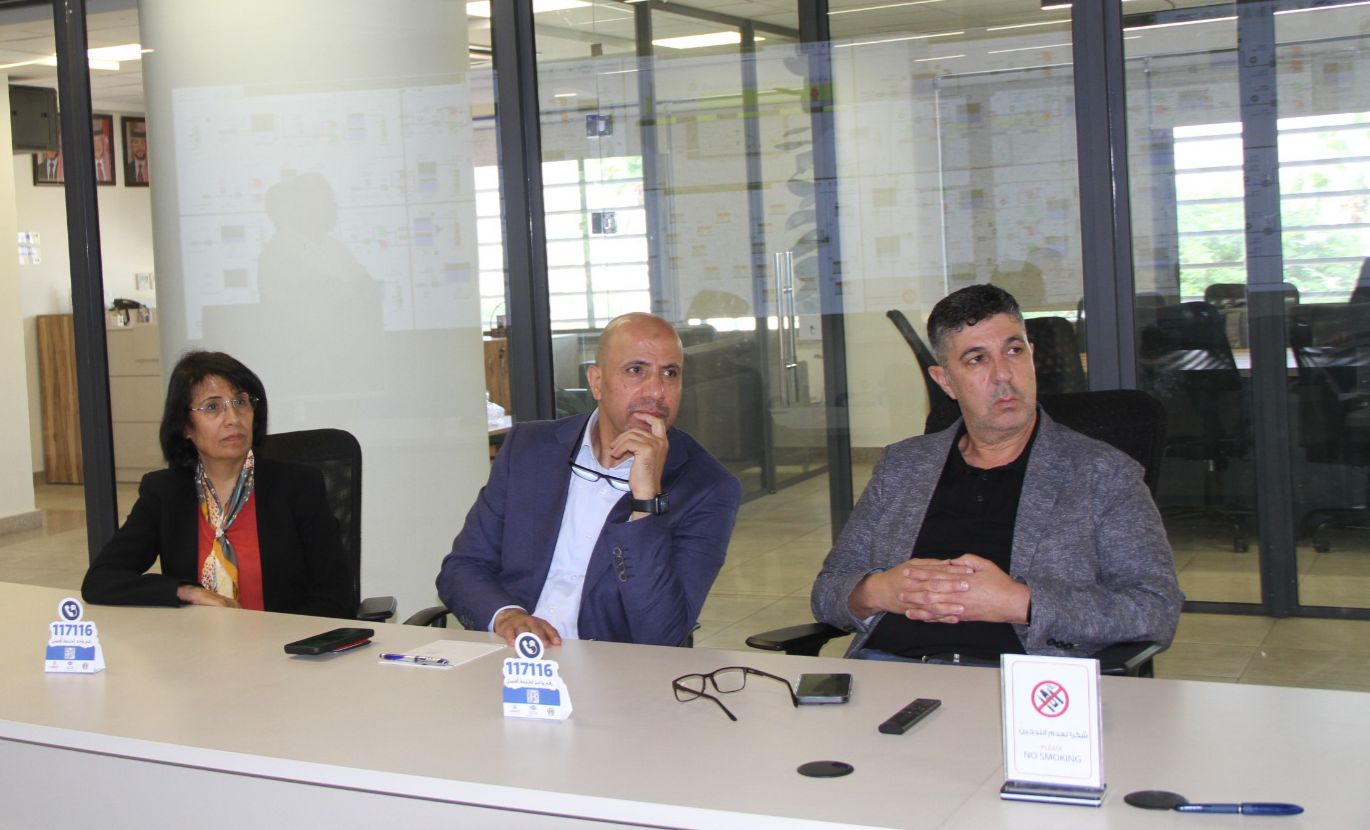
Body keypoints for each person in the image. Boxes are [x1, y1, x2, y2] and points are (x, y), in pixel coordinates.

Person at [812, 284, 1182, 664]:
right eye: (977, 359)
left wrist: (1019, 602)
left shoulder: (1103, 474)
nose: (1003, 374)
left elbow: (1156, 609)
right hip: (889, 672)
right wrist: (879, 591)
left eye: (1014, 351)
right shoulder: (902, 465)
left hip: (1021, 684)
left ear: (1032, 356)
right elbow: (827, 592)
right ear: (945, 381)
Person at [436, 312, 742, 647]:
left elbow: (661, 636)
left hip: (612, 669)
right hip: (513, 659)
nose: (656, 391)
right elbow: (463, 567)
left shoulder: (706, 487)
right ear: (596, 382)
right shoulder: (529, 449)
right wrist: (505, 615)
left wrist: (645, 502)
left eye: (670, 373)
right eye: (636, 370)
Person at [82, 351, 353, 617]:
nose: (233, 419)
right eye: (212, 407)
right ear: (185, 427)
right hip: (198, 642)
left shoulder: (298, 486)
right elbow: (101, 579)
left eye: (241, 402)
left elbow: (336, 598)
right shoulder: (165, 492)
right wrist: (185, 591)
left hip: (284, 643)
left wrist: (280, 639)